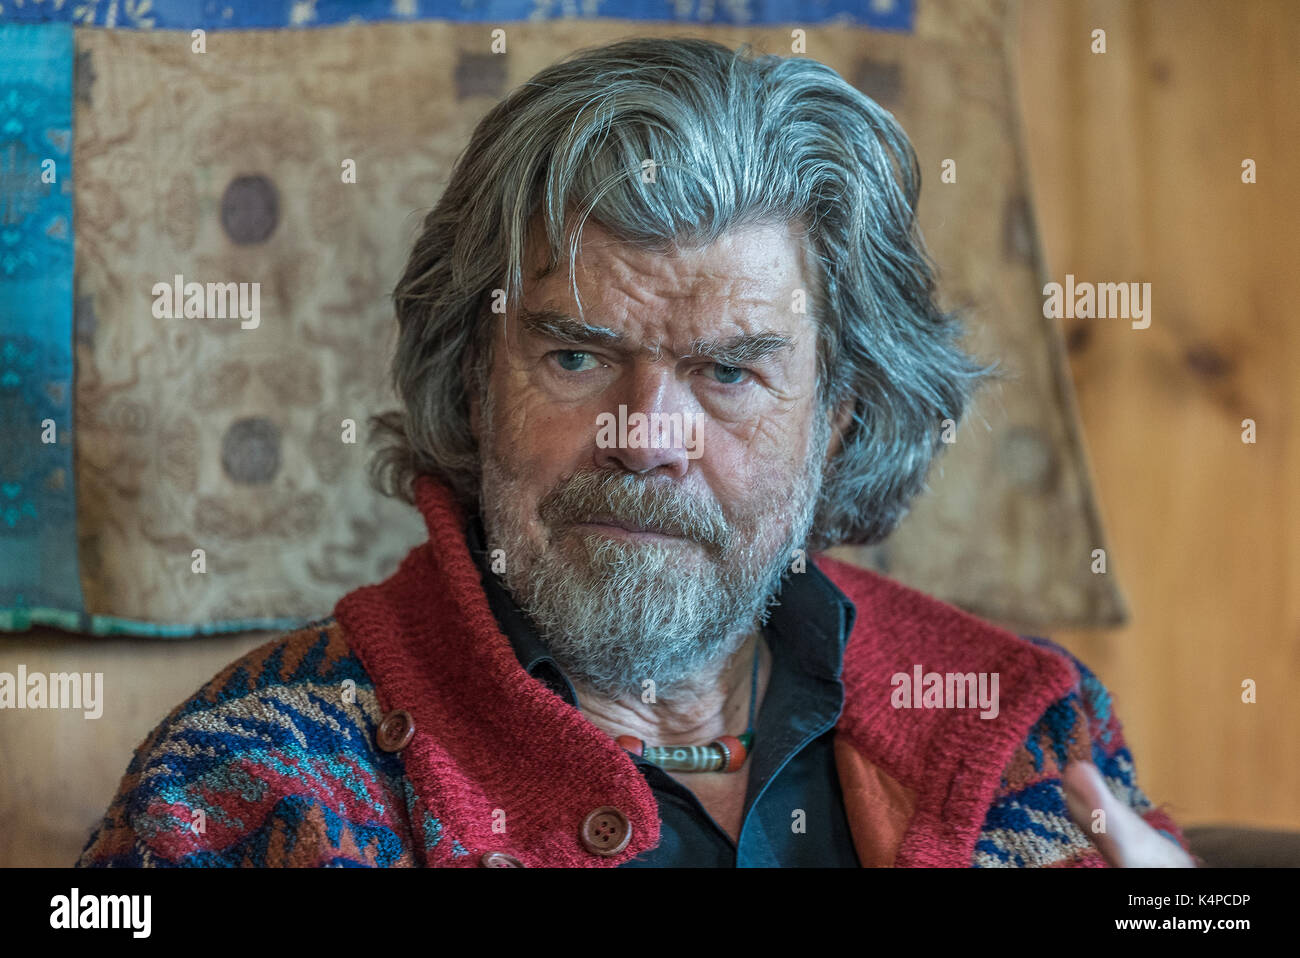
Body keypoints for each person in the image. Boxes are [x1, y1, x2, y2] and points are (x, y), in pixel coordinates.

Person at [78, 37, 1192, 868]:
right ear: (474, 375)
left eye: (729, 372)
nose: (645, 436)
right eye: (574, 357)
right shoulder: (253, 777)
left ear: (840, 415)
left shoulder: (1024, 725)